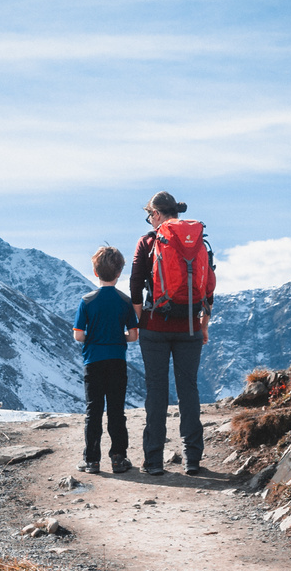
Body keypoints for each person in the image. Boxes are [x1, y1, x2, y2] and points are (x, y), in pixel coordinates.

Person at [130, 191, 214, 476]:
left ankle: (153, 460)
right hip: (189, 326)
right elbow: (209, 286)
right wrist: (202, 325)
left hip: (154, 326)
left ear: (156, 214)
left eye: (149, 215)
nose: (149, 220)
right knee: (188, 389)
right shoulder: (198, 242)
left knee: (157, 390)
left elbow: (135, 283)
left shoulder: (148, 241)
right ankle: (192, 459)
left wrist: (140, 320)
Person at [73, 245, 139, 475]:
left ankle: (91, 460)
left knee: (94, 411)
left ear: (95, 272)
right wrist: (114, 336)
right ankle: (119, 458)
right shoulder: (125, 301)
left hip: (93, 361)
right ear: (120, 272)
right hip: (117, 361)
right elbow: (133, 335)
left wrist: (97, 336)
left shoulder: (87, 301)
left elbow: (78, 335)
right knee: (116, 411)